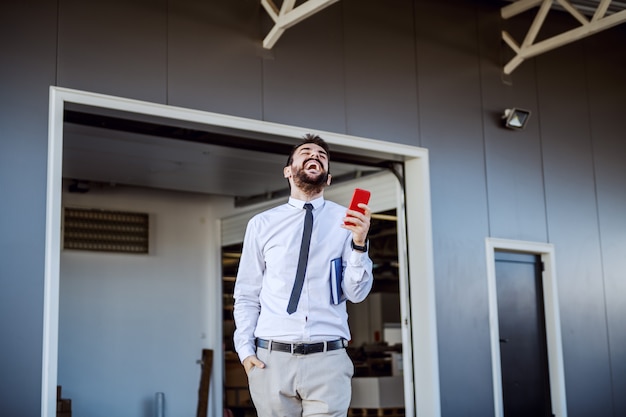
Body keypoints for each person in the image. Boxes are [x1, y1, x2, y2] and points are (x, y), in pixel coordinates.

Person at [233, 133, 374, 417]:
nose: (316, 155)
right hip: (272, 360)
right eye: (307, 152)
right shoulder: (262, 224)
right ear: (288, 171)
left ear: (328, 178)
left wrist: (359, 243)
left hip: (328, 359)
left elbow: (356, 294)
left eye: (322, 155)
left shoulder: (346, 221)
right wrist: (245, 351)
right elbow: (246, 294)